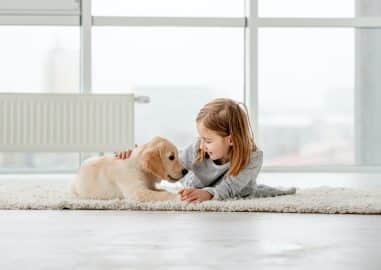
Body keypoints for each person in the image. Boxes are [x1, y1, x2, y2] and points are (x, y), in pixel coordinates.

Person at [116, 98, 295, 203]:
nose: (202, 145)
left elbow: (230, 188)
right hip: (194, 185)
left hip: (238, 191)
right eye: (201, 138)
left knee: (261, 191)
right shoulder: (198, 148)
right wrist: (135, 155)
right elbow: (169, 160)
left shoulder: (253, 158)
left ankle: (283, 190)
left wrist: (207, 194)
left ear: (230, 140)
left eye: (208, 140)